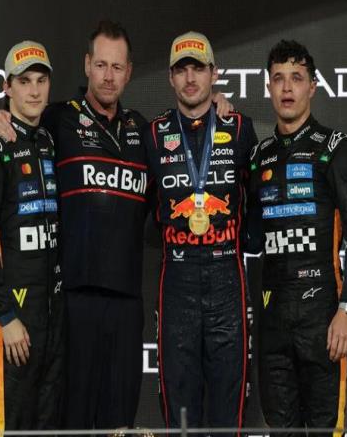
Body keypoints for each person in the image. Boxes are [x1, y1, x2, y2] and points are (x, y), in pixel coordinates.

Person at [0, 21, 233, 430]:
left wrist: (217, 105)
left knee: (119, 422)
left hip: (127, 303)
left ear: (129, 71)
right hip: (73, 301)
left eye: (117, 67)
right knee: (73, 419)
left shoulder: (144, 131)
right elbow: (16, 124)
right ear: (87, 65)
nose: (108, 76)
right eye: (101, 65)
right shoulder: (58, 119)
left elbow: (188, 141)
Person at [247, 40, 347, 436]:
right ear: (268, 86)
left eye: (296, 78)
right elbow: (251, 239)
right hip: (273, 321)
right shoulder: (259, 156)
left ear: (312, 87)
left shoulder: (335, 148)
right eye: (278, 78)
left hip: (323, 320)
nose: (287, 88)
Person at [143, 31, 258, 432]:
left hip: (227, 276)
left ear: (214, 73)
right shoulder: (153, 134)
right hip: (176, 280)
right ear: (170, 78)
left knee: (229, 411)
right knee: (180, 412)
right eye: (181, 70)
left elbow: (259, 202)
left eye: (198, 69)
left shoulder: (240, 128)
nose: (190, 78)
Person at [0, 40, 63, 431]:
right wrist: (5, 315)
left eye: (41, 80)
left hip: (52, 318)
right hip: (13, 322)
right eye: (24, 82)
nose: (34, 91)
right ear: (7, 87)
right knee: (11, 427)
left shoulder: (48, 141)